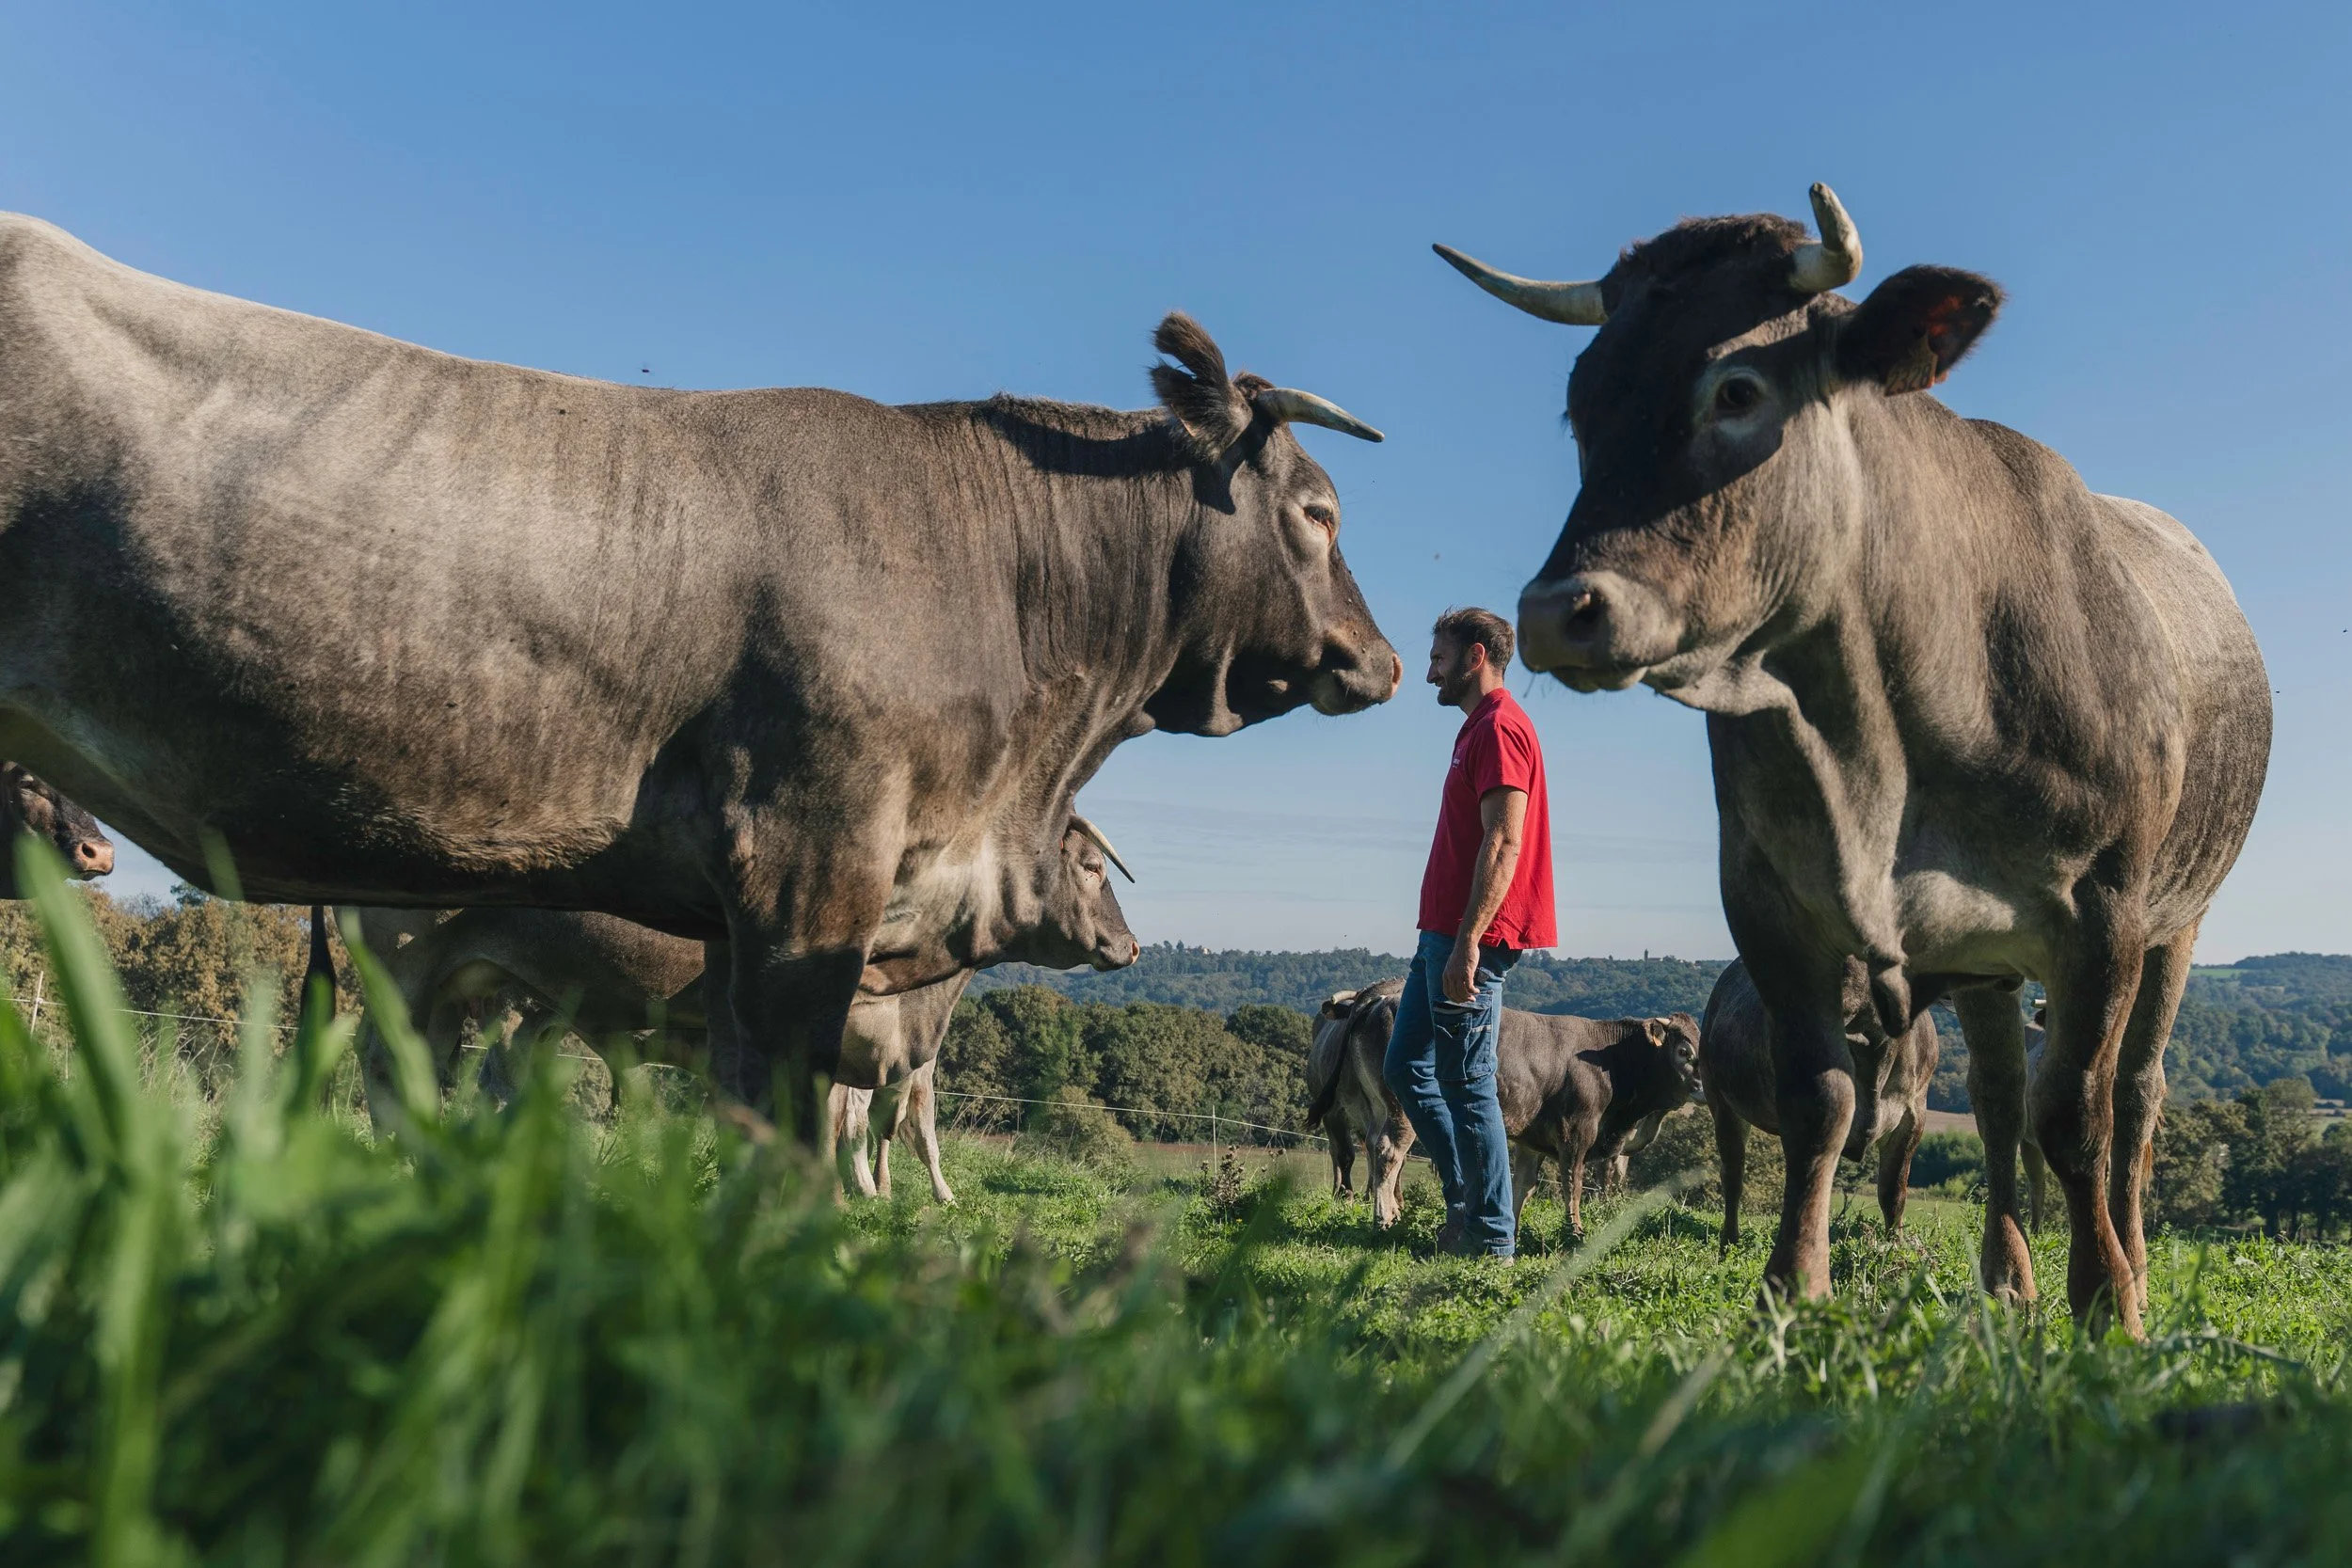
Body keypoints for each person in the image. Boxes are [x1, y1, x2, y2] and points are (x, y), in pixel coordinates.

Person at [1384, 608, 1555, 1259]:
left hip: (1470, 940)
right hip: (1442, 934)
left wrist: (1468, 942)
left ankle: (1490, 1239)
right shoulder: (1475, 730)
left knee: (1468, 1079)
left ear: (1474, 656)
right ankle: (1467, 1201)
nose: (1428, 672)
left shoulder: (1503, 728)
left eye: (1438, 659)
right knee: (1406, 1065)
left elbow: (1504, 840)